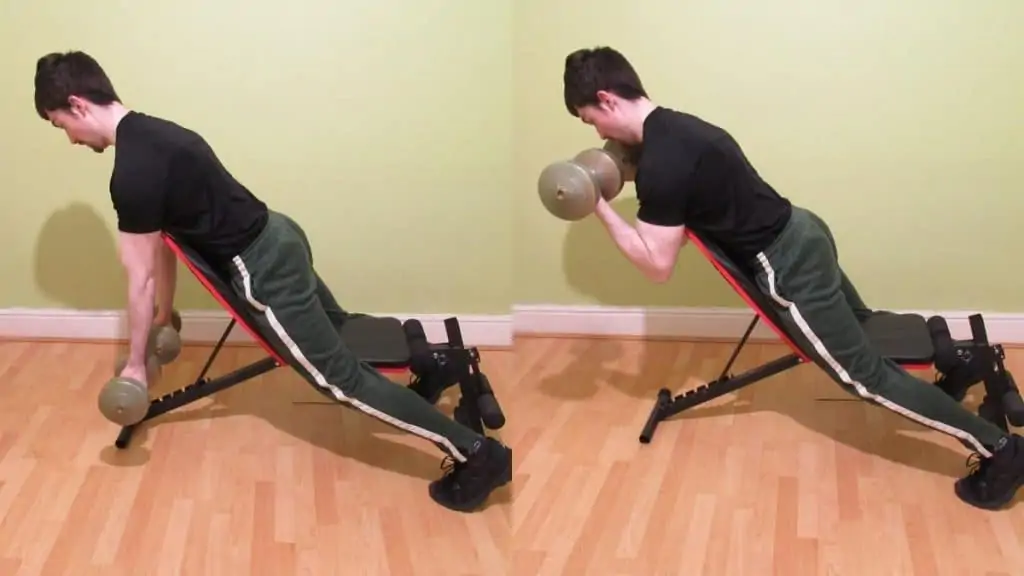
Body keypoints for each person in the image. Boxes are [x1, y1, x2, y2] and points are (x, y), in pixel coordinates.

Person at [33, 50, 511, 513]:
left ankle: (477, 454)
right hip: (279, 232)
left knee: (339, 381)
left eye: (62, 125)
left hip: (263, 270)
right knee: (339, 330)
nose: (71, 139)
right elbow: (165, 245)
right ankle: (435, 366)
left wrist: (136, 366)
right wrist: (163, 316)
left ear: (77, 104)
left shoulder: (131, 173)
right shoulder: (160, 133)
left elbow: (138, 277)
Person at [560, 45, 1024, 511]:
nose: (596, 133)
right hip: (804, 227)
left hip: (787, 264)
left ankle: (1003, 452)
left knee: (862, 377)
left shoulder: (661, 166)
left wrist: (597, 204)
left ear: (607, 99)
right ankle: (960, 363)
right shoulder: (681, 127)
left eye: (590, 119)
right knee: (860, 327)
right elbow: (682, 229)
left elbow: (656, 267)